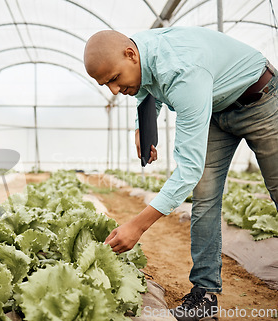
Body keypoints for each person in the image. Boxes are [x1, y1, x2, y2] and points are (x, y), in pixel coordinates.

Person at [83, 26, 278, 321]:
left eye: (114, 79)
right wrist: (143, 125)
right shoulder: (142, 52)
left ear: (130, 55)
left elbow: (188, 169)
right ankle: (204, 294)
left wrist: (137, 226)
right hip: (214, 106)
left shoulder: (182, 71)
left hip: (260, 100)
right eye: (105, 84)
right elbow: (147, 85)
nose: (113, 90)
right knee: (204, 197)